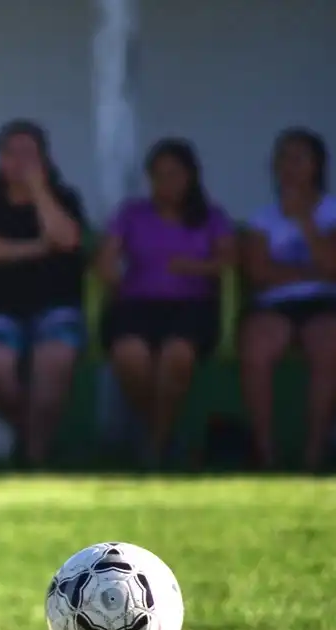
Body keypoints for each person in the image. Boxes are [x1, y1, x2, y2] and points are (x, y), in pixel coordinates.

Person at [95, 139, 236, 466]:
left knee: (177, 355)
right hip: (137, 304)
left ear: (190, 177)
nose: (165, 183)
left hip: (192, 305)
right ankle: (163, 436)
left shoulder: (211, 217)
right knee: (131, 356)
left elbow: (229, 261)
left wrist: (194, 267)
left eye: (173, 174)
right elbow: (107, 257)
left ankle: (154, 449)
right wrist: (108, 269)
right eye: (157, 176)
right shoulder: (132, 214)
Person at [0, 120, 87, 467]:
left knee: (55, 360)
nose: (20, 161)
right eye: (11, 153)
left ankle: (34, 455)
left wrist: (39, 191)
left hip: (55, 310)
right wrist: (36, 248)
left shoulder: (65, 200)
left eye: (29, 153)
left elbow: (68, 239)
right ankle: (35, 441)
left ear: (46, 158)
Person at [238, 128, 336, 471]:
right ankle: (266, 452)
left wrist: (306, 223)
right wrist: (311, 270)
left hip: (325, 303)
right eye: (282, 158)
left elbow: (334, 268)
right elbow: (258, 272)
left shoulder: (331, 211)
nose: (289, 167)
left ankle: (314, 452)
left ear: (317, 166)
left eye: (298, 158)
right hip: (274, 304)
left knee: (329, 347)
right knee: (256, 347)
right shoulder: (262, 217)